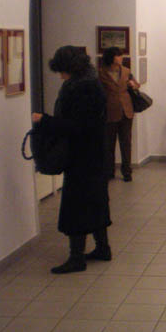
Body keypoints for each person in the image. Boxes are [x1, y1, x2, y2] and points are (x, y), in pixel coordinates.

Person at [31, 46, 112, 273]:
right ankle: (103, 248)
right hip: (95, 154)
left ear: (69, 68)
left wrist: (44, 120)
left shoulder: (80, 88)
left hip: (81, 156)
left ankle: (77, 257)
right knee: (96, 201)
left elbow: (76, 126)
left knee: (76, 205)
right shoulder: (92, 83)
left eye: (61, 71)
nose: (60, 76)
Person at [98, 46, 139, 182]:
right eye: (118, 55)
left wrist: (133, 85)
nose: (121, 58)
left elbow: (137, 85)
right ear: (111, 57)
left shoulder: (126, 71)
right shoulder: (101, 73)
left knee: (126, 142)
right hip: (109, 111)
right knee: (109, 143)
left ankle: (127, 171)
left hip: (126, 110)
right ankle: (109, 170)